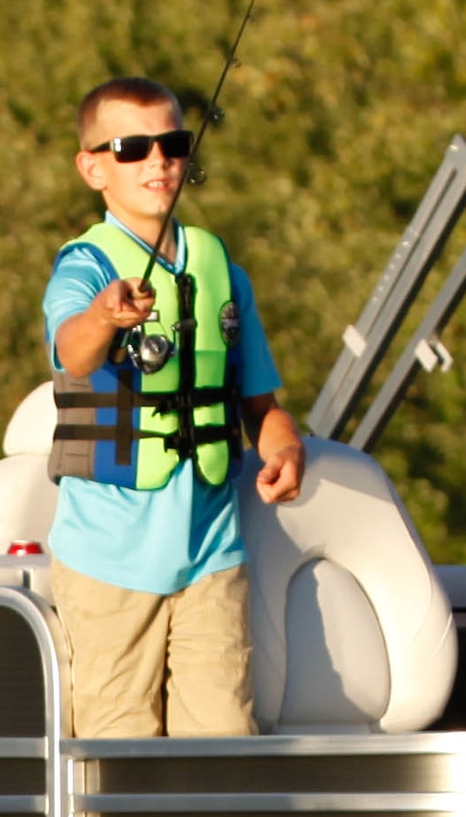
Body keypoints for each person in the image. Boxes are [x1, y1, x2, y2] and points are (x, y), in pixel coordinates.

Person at [41, 76, 308, 737]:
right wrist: (106, 313)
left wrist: (286, 449)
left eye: (173, 143)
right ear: (92, 167)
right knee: (114, 756)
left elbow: (260, 403)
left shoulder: (222, 268)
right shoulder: (85, 266)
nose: (157, 161)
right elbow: (71, 351)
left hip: (212, 554)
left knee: (223, 744)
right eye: (132, 146)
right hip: (108, 562)